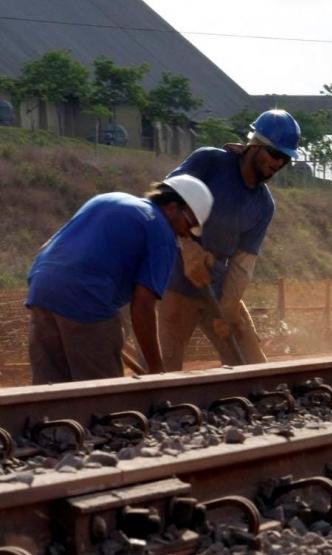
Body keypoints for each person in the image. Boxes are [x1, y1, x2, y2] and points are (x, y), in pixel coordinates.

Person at [27, 176, 213, 384]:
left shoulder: (109, 199)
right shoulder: (161, 234)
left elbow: (46, 248)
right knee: (101, 401)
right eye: (190, 223)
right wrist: (157, 369)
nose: (186, 233)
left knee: (48, 394)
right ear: (171, 208)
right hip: (88, 299)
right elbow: (142, 307)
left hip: (41, 290)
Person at [159, 109, 302, 370]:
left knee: (252, 367)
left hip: (217, 284)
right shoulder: (209, 163)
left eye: (285, 159)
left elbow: (243, 262)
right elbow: (163, 198)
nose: (278, 164)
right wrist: (187, 246)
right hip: (175, 278)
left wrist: (228, 308)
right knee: (164, 369)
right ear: (256, 144)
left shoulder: (263, 205)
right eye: (275, 155)